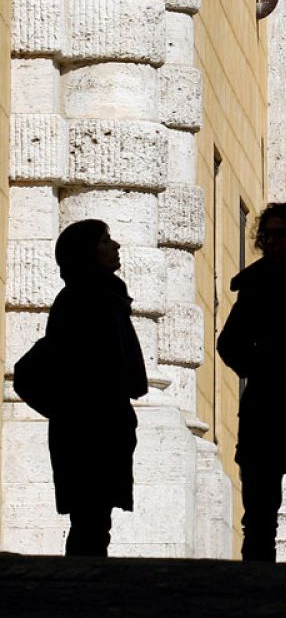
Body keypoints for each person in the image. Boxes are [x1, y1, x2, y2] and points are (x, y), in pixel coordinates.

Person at [217, 202, 286, 561]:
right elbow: (229, 344)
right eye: (266, 235)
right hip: (264, 411)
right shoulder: (256, 284)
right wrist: (263, 367)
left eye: (281, 234)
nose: (271, 242)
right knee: (259, 520)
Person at [44, 220, 148, 556]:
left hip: (102, 422)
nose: (115, 246)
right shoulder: (85, 298)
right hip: (88, 426)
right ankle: (81, 582)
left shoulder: (105, 295)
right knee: (90, 519)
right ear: (87, 252)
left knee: (95, 519)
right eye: (105, 241)